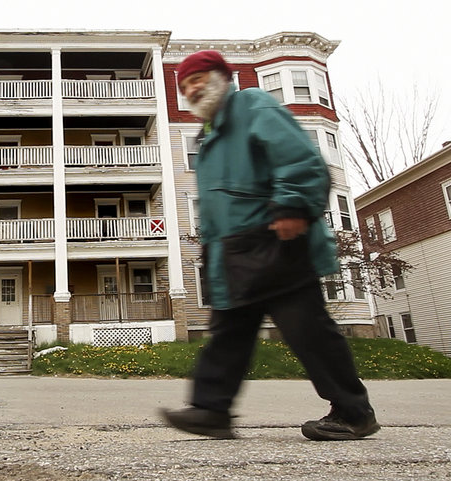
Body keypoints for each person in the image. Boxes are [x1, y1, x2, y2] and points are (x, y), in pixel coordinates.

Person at [160, 50, 379, 441]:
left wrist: (294, 204)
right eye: (185, 84)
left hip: (276, 239)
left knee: (307, 330)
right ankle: (211, 411)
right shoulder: (208, 138)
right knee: (228, 333)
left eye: (199, 78)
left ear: (223, 78)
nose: (192, 88)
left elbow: (300, 159)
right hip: (232, 253)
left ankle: (353, 412)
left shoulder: (253, 105)